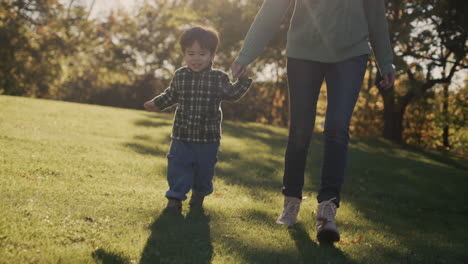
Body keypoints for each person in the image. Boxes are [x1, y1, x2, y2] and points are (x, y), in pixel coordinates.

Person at [231, 0, 396, 243]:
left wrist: (386, 61)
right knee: (300, 129)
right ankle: (291, 202)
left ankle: (327, 210)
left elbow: (376, 15)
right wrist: (246, 55)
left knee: (337, 127)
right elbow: (272, 10)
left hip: (351, 54)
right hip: (303, 53)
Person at [144, 26, 252, 212]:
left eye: (202, 54)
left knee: (204, 171)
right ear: (184, 54)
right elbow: (171, 95)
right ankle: (175, 199)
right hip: (182, 134)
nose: (196, 58)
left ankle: (199, 195)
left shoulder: (218, 78)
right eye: (191, 53)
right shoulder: (180, 75)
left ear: (212, 55)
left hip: (207, 138)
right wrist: (157, 103)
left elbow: (233, 94)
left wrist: (243, 81)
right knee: (177, 166)